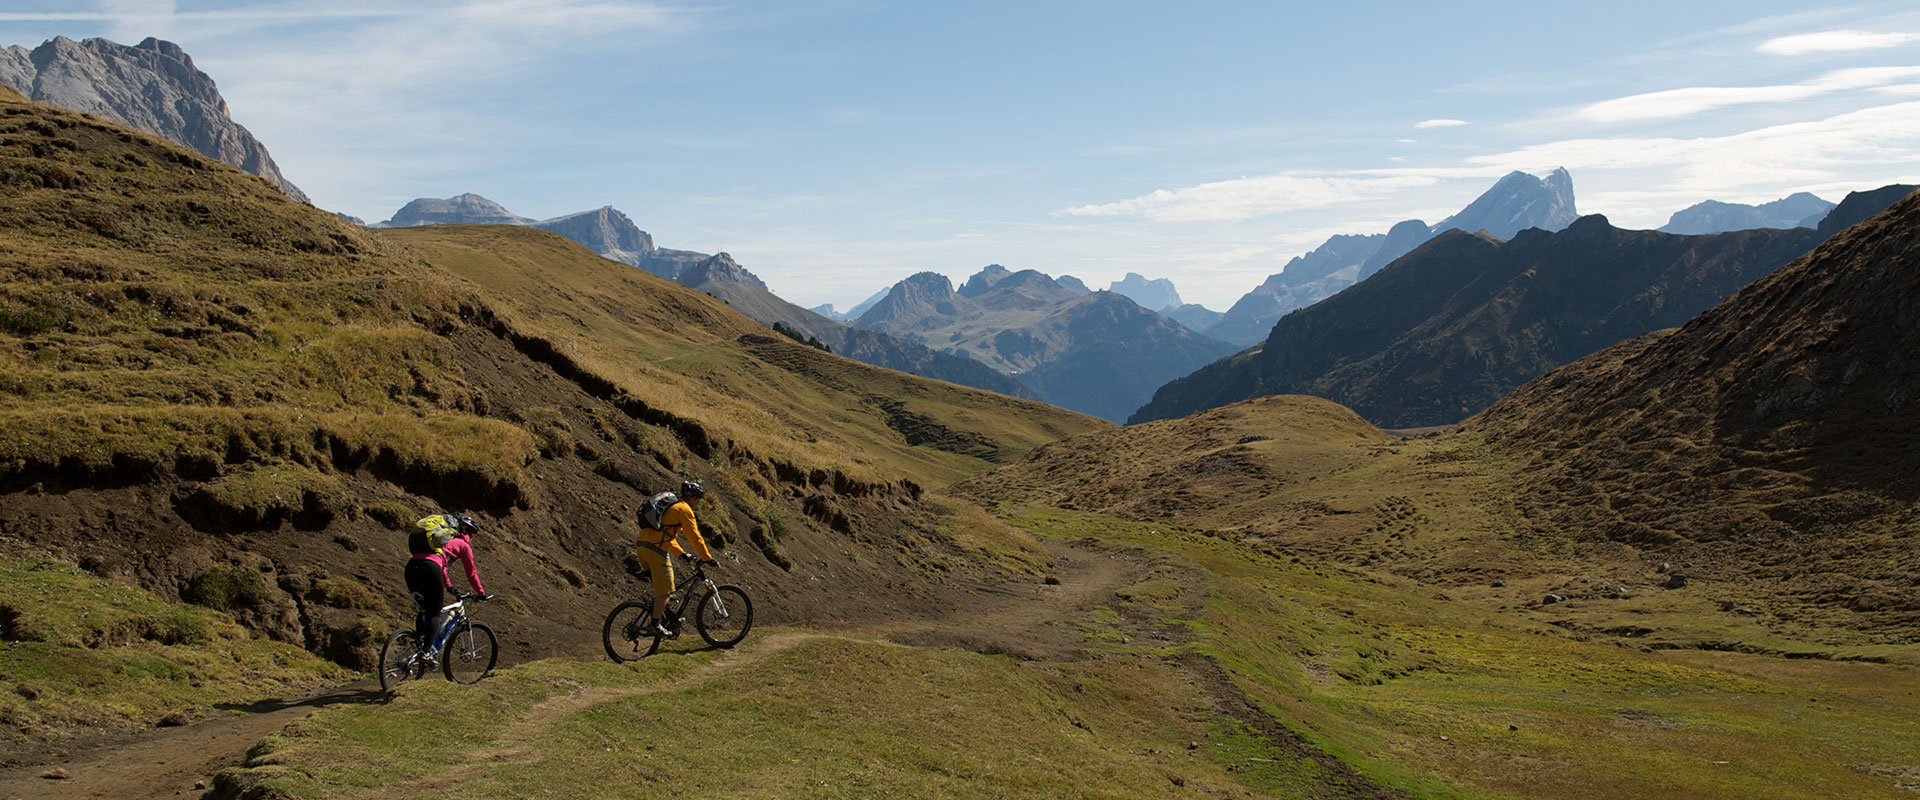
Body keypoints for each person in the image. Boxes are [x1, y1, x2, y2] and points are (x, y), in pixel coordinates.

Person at [636, 480, 717, 636]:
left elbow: (665, 535)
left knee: (662, 589)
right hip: (656, 550)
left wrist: (681, 553)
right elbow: (695, 537)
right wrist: (706, 557)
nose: (697, 503)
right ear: (692, 497)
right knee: (665, 592)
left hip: (642, 546)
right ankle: (655, 625)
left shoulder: (671, 508)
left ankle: (665, 615)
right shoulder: (684, 509)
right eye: (698, 499)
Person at [405, 512, 490, 658]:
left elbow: (441, 565)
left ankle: (419, 644)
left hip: (411, 568)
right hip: (431, 568)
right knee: (434, 612)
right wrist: (481, 593)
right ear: (468, 533)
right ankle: (425, 653)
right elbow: (471, 573)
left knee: (424, 608)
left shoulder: (439, 542)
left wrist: (449, 586)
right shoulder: (463, 545)